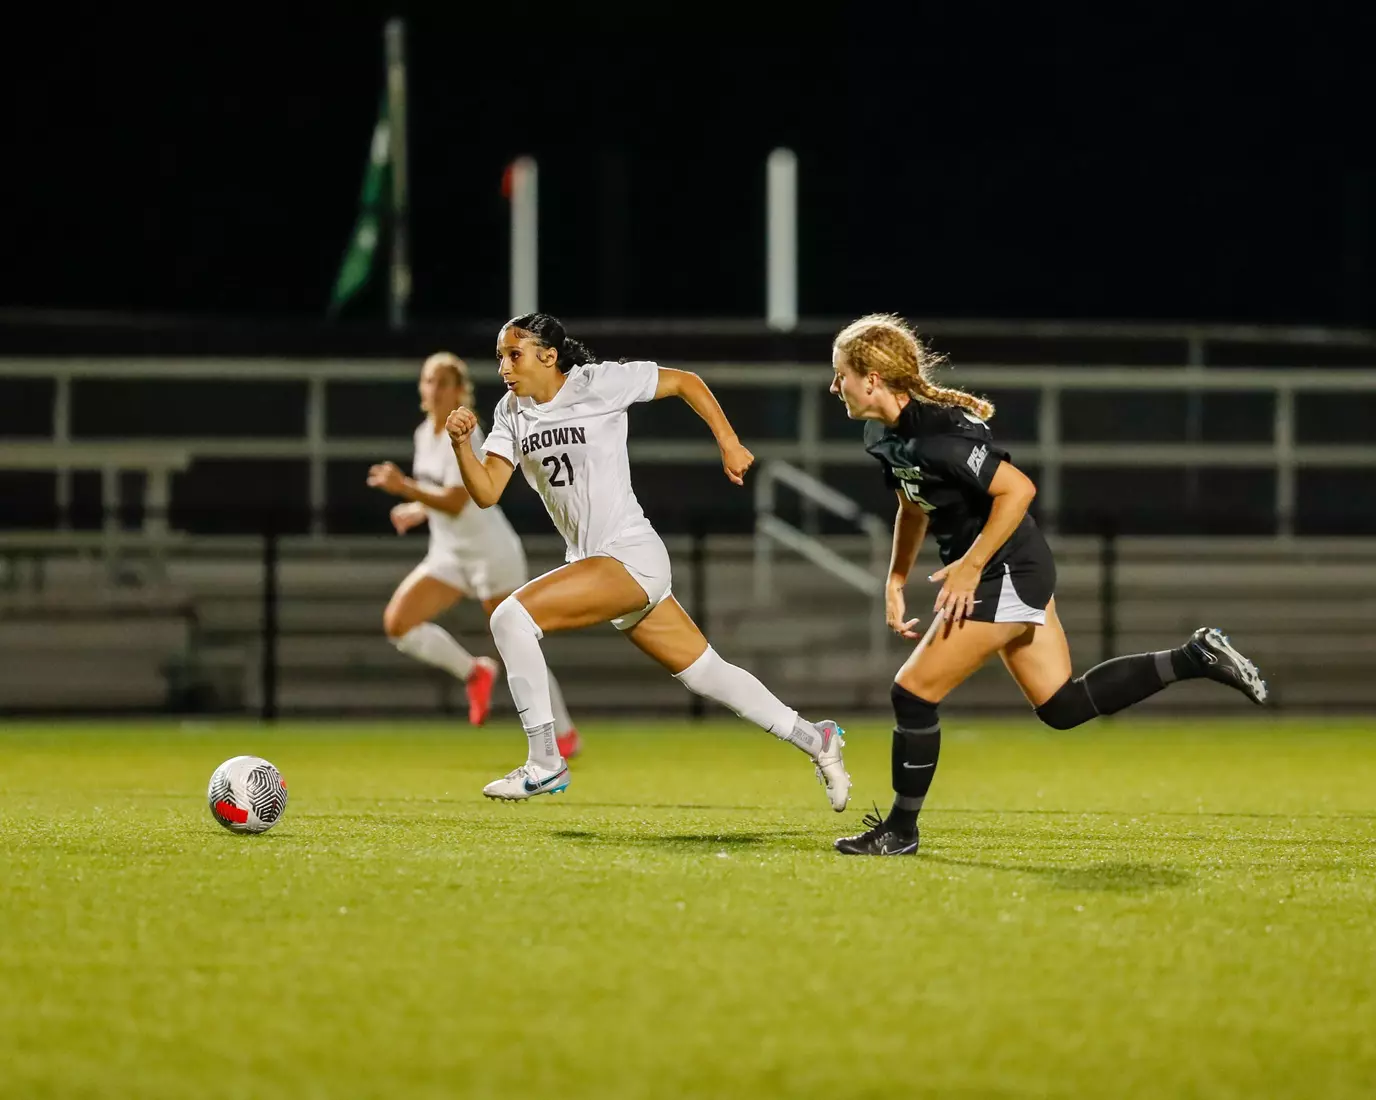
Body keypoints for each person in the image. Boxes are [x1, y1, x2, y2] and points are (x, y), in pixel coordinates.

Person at [826, 314, 1268, 857]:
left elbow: (1018, 491)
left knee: (912, 692)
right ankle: (1194, 657)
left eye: (841, 374)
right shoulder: (882, 434)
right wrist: (896, 578)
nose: (835, 386)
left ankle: (900, 831)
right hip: (1011, 568)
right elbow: (912, 504)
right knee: (1062, 706)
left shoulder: (938, 436)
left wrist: (970, 566)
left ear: (871, 378)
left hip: (1007, 570)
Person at [443, 312, 850, 808]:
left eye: (514, 354)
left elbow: (685, 382)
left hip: (628, 554)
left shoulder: (598, 382)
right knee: (707, 673)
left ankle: (546, 762)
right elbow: (487, 492)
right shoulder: (511, 411)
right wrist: (461, 446)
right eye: (500, 357)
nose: (504, 367)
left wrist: (728, 442)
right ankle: (816, 739)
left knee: (510, 618)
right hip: (602, 565)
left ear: (548, 356)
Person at [367, 351, 581, 758]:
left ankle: (564, 733)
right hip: (449, 553)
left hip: (490, 553)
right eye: (429, 381)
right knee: (399, 625)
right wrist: (417, 509)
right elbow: (441, 494)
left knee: (516, 644)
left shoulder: (467, 432)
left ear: (459, 391)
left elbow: (457, 500)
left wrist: (404, 488)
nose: (435, 389)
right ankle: (474, 672)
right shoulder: (423, 434)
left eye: (444, 382)